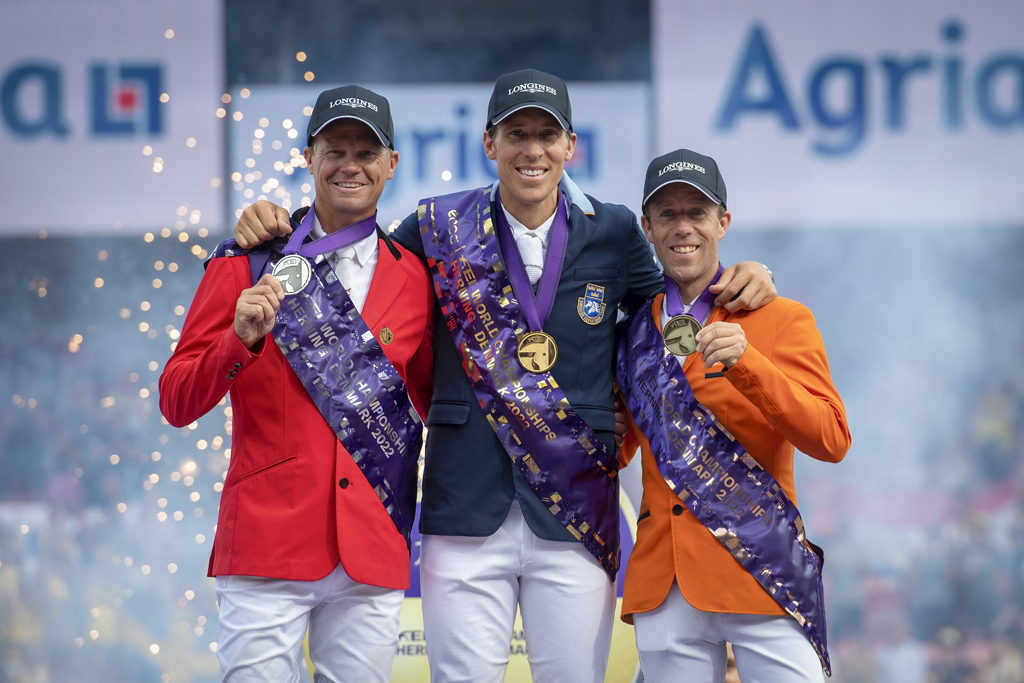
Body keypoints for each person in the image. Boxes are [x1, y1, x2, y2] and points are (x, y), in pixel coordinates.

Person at [232, 69, 777, 683]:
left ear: (572, 146)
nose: (533, 149)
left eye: (548, 134)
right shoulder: (437, 227)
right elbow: (358, 265)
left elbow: (668, 322)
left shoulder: (616, 230)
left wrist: (741, 284)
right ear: (489, 144)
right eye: (516, 133)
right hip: (464, 504)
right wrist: (281, 226)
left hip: (574, 507)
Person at [159, 85, 435, 682]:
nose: (351, 164)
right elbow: (176, 401)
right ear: (309, 158)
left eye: (368, 150)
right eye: (336, 148)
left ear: (392, 165)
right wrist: (240, 340)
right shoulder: (246, 263)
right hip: (266, 545)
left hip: (372, 546)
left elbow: (438, 402)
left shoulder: (416, 277)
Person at [615, 148, 852, 683]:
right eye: (668, 214)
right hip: (666, 581)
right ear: (647, 227)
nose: (683, 228)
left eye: (696, 213)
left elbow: (832, 439)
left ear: (723, 222)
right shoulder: (630, 333)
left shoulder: (782, 317)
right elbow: (619, 445)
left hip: (763, 571)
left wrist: (749, 364)